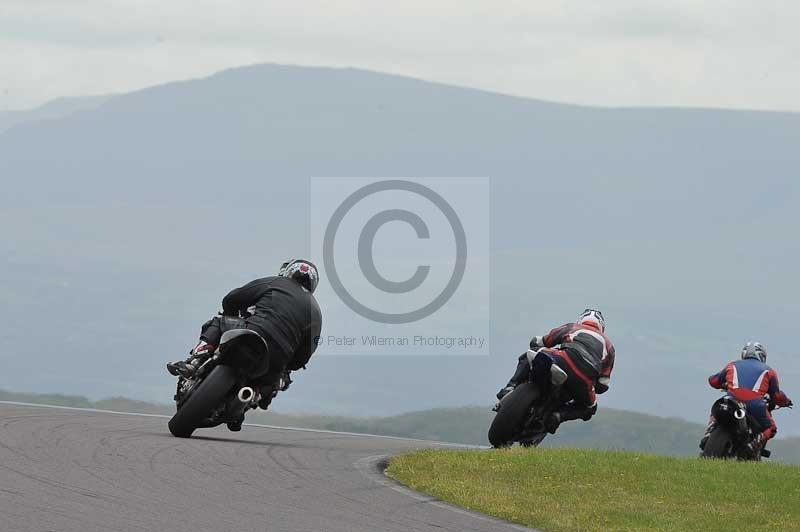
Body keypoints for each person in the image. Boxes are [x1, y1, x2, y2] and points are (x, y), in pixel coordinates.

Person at [167, 259, 323, 426]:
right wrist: (290, 364)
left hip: (253, 330)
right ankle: (250, 400)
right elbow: (305, 355)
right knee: (277, 379)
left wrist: (231, 314)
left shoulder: (276, 282)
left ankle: (195, 360)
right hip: (279, 356)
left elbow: (232, 298)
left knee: (219, 321)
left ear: (287, 272)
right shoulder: (317, 312)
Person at [496, 309, 615, 433]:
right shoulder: (609, 347)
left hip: (563, 359)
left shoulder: (572, 327)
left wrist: (536, 341)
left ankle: (510, 387)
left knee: (528, 356)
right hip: (585, 380)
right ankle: (559, 415)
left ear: (581, 319)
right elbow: (603, 384)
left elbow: (543, 341)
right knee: (590, 408)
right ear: (602, 327)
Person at [703, 341, 793, 453]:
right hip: (754, 405)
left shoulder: (732, 365)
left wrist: (725, 385)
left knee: (716, 412)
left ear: (744, 354)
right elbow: (777, 395)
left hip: (731, 400)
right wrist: (786, 402)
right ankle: (752, 447)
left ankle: (707, 434)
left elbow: (713, 381)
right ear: (762, 356)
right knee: (771, 428)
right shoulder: (769, 371)